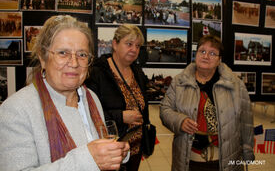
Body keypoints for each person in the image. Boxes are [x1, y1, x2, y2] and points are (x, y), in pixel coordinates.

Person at [0, 15, 129, 171]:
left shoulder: (91, 98)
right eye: (63, 53)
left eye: (82, 54)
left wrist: (114, 152)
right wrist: (88, 160)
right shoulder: (16, 110)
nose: (74, 63)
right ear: (42, 57)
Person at [160, 35, 254, 171]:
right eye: (202, 51)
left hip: (226, 161)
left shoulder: (236, 85)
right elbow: (165, 110)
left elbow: (246, 120)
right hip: (189, 161)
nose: (206, 56)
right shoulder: (179, 82)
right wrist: (180, 121)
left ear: (219, 60)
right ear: (196, 54)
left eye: (212, 53)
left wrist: (247, 151)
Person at [85, 24, 149, 171]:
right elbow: (89, 112)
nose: (134, 49)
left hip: (135, 148)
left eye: (138, 46)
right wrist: (120, 116)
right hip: (111, 149)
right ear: (115, 44)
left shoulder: (137, 71)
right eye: (129, 44)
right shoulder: (97, 72)